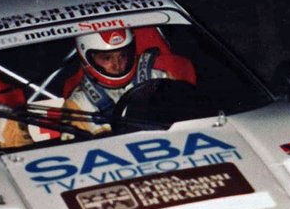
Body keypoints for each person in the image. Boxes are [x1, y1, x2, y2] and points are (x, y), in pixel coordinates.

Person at [63, 27, 195, 134]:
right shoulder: (78, 105)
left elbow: (191, 120)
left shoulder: (159, 78)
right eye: (107, 58)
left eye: (123, 55)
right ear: (87, 58)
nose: (117, 64)